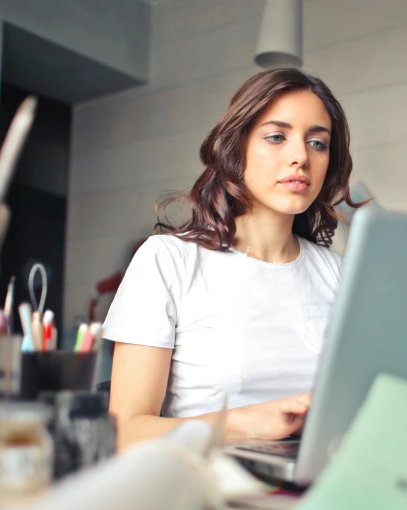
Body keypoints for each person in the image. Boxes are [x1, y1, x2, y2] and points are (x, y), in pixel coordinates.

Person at [104, 68, 362, 450]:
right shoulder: (168, 261)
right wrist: (243, 422)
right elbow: (125, 432)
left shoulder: (340, 275)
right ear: (236, 148)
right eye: (277, 137)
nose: (300, 157)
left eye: (318, 143)